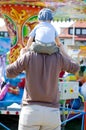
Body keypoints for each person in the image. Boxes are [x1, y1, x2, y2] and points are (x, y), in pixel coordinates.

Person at [6, 50, 80, 130]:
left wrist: (21, 56)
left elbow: (9, 72)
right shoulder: (59, 57)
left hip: (30, 110)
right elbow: (76, 68)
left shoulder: (28, 56)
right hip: (52, 111)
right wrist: (63, 51)